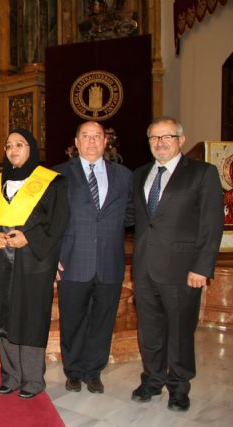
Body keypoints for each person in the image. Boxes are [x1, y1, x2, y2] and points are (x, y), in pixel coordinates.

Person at [131, 116, 223, 412]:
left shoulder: (202, 173)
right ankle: (153, 380)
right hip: (145, 267)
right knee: (149, 331)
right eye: (154, 138)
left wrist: (202, 267)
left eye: (166, 137)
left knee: (181, 332)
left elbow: (212, 224)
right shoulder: (140, 174)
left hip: (183, 270)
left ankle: (179, 387)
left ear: (181, 140)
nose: (160, 143)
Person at [0, 128, 69, 399]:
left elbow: (58, 222)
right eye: (9, 146)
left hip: (34, 262)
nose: (13, 150)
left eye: (20, 145)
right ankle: (10, 376)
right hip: (2, 263)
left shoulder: (51, 182)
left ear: (31, 148)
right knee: (5, 318)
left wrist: (29, 238)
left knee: (31, 317)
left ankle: (33, 379)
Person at [53, 121, 133, 394]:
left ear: (105, 142)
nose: (91, 141)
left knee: (103, 320)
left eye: (97, 136)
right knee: (72, 320)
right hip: (72, 260)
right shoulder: (58, 175)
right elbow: (50, 221)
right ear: (76, 142)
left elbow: (132, 214)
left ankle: (93, 370)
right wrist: (53, 257)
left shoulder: (123, 175)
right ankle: (73, 371)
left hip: (110, 261)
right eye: (85, 136)